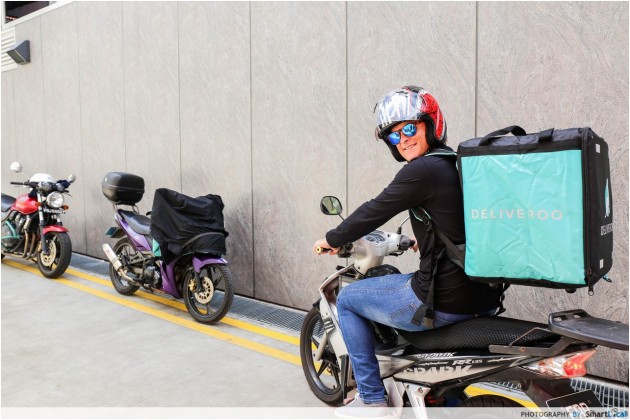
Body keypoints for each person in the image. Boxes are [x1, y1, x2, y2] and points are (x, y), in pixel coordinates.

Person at [313, 86, 504, 412]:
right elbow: (458, 221)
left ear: (431, 125)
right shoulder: (455, 166)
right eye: (394, 135)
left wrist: (331, 239)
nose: (403, 140)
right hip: (484, 297)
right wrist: (422, 240)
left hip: (443, 300)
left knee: (347, 300)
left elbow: (374, 210)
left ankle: (370, 398)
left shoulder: (421, 170)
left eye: (410, 129)